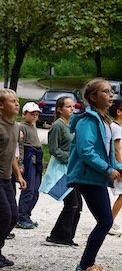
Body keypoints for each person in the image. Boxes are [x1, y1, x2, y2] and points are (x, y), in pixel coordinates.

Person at [68, 79, 122, 271]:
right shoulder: (87, 121)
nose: (111, 95)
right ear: (93, 97)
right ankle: (85, 266)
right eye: (105, 92)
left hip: (95, 176)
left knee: (105, 221)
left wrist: (117, 166)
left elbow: (105, 151)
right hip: (87, 177)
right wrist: (107, 170)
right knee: (105, 221)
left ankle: (87, 264)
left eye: (111, 91)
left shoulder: (104, 121)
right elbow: (86, 151)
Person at [41, 97, 82, 247]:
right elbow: (53, 149)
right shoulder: (58, 125)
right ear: (60, 109)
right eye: (68, 106)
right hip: (62, 169)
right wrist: (69, 158)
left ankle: (68, 236)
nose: (72, 109)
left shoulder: (71, 124)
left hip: (72, 169)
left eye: (73, 106)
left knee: (78, 205)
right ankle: (57, 237)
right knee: (72, 203)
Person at [0, 89, 26, 268]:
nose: (17, 104)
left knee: (13, 216)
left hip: (7, 178)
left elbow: (12, 155)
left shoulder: (16, 127)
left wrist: (18, 175)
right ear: (1, 105)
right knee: (4, 214)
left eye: (17, 101)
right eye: (12, 101)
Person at [16, 102, 43, 229]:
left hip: (36, 158)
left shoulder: (33, 126)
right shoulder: (22, 127)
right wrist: (20, 163)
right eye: (32, 114)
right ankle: (21, 216)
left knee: (36, 190)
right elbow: (20, 147)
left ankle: (27, 214)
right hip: (29, 158)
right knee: (29, 189)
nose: (34, 116)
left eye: (36, 114)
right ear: (24, 114)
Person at [108, 99, 122, 236]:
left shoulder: (113, 126)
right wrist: (121, 168)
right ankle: (108, 222)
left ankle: (108, 220)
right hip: (115, 167)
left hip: (114, 166)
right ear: (118, 112)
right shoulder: (116, 128)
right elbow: (116, 149)